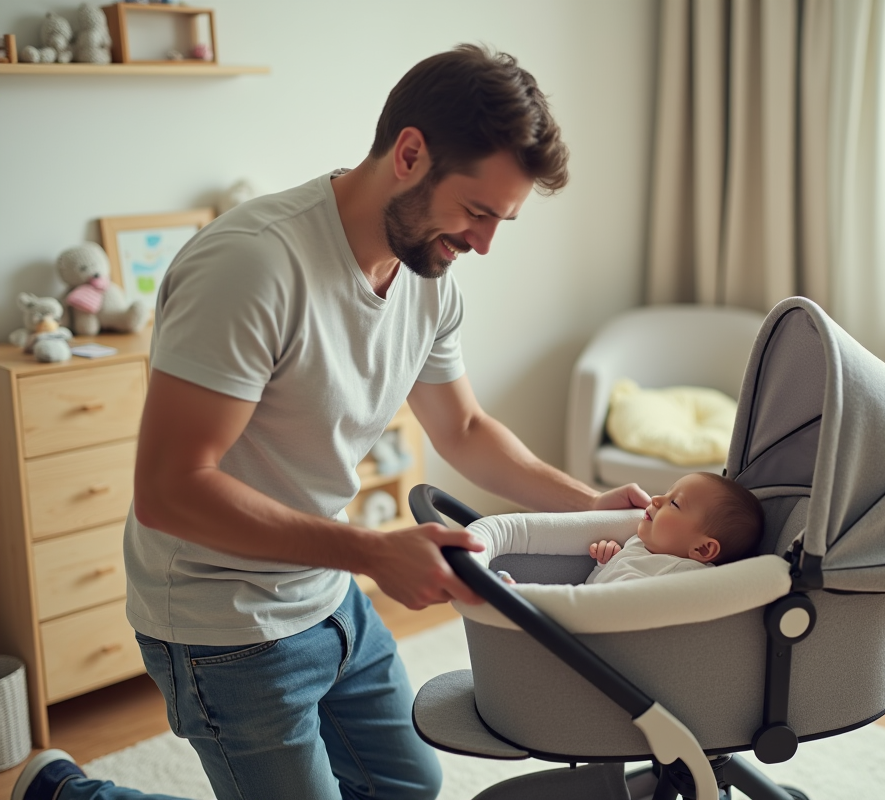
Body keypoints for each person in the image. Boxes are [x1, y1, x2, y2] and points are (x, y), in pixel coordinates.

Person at [12, 44, 649, 800]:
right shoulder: (251, 267)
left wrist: (586, 505)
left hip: (329, 587)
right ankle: (62, 792)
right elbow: (170, 489)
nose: (483, 242)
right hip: (225, 619)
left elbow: (466, 429)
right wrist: (373, 552)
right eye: (478, 212)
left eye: (500, 220)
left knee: (407, 789)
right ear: (410, 153)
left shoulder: (426, 276)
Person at [585, 472, 763, 584]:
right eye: (666, 493)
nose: (655, 499)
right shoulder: (643, 543)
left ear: (702, 548)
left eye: (674, 503)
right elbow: (601, 584)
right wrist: (606, 564)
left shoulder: (687, 575)